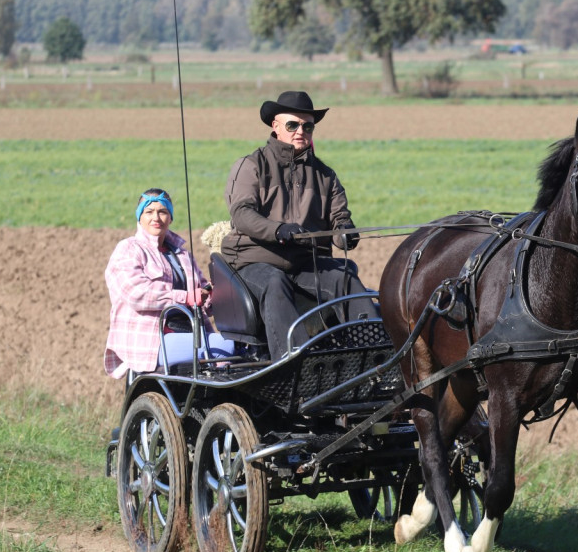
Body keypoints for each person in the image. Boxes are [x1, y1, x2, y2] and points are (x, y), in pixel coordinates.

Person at [220, 90, 376, 358]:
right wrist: (278, 230)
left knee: (345, 277)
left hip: (305, 263)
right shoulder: (251, 165)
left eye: (307, 125)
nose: (300, 130)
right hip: (254, 261)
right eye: (292, 124)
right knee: (274, 280)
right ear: (276, 126)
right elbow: (242, 214)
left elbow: (340, 219)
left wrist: (345, 234)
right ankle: (296, 359)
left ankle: (374, 351)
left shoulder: (325, 175)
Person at [104, 188, 229, 378]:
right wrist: (185, 297)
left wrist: (213, 293)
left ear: (170, 217)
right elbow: (138, 294)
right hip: (151, 342)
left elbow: (201, 298)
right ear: (139, 217)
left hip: (189, 333)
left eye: (162, 212)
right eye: (149, 212)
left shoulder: (183, 255)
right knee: (227, 345)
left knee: (242, 350)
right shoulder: (128, 250)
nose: (156, 217)